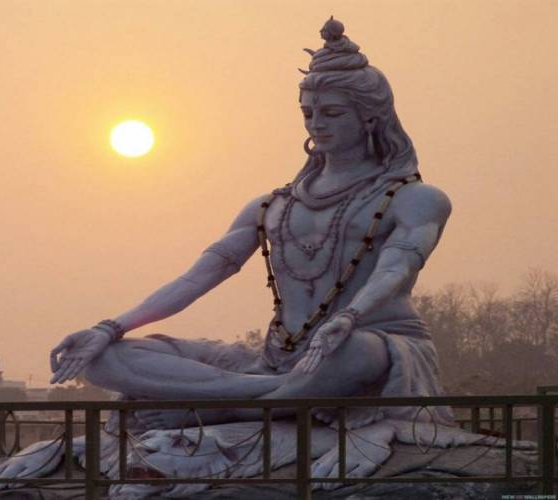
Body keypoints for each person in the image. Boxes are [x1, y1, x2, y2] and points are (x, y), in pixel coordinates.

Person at [50, 17, 454, 431]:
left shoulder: (415, 198)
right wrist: (109, 327)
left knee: (354, 353)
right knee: (103, 357)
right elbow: (195, 279)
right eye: (309, 112)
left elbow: (398, 266)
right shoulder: (270, 205)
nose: (317, 123)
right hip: (277, 357)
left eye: (332, 112)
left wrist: (349, 316)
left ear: (371, 117)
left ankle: (216, 409)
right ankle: (272, 394)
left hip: (360, 342)